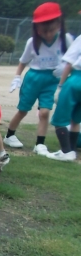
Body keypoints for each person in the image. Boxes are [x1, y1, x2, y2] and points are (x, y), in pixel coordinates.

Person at [4, 2, 72, 154]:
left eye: (51, 30)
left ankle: (40, 143)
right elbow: (23, 62)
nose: (48, 34)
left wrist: (65, 66)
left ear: (59, 24)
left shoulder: (65, 39)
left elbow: (73, 59)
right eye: (43, 31)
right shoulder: (32, 42)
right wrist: (17, 77)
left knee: (45, 112)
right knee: (23, 110)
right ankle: (9, 135)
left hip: (52, 79)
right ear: (37, 29)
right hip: (34, 78)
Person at [47, 33, 81, 161]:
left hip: (77, 78)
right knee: (76, 119)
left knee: (60, 119)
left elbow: (69, 64)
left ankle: (66, 151)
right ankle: (71, 150)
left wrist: (60, 86)